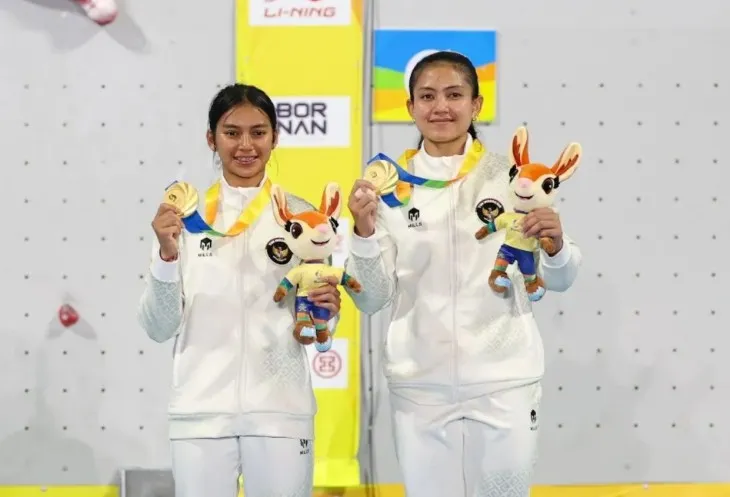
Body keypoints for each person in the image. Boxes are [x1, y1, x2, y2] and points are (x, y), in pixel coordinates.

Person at [344, 51, 582, 496]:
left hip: (504, 382)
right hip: (420, 388)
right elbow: (370, 298)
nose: (441, 107)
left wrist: (556, 247)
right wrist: (362, 233)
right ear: (410, 106)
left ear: (476, 104)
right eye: (427, 96)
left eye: (454, 95)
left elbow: (561, 279)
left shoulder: (513, 179)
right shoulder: (388, 187)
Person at [136, 83, 343, 497]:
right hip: (200, 416)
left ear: (275, 138)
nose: (245, 145)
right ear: (211, 138)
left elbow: (319, 332)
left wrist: (327, 311)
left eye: (258, 132)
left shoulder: (303, 218)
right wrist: (166, 255)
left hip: (281, 414)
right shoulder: (185, 219)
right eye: (232, 133)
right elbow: (159, 326)